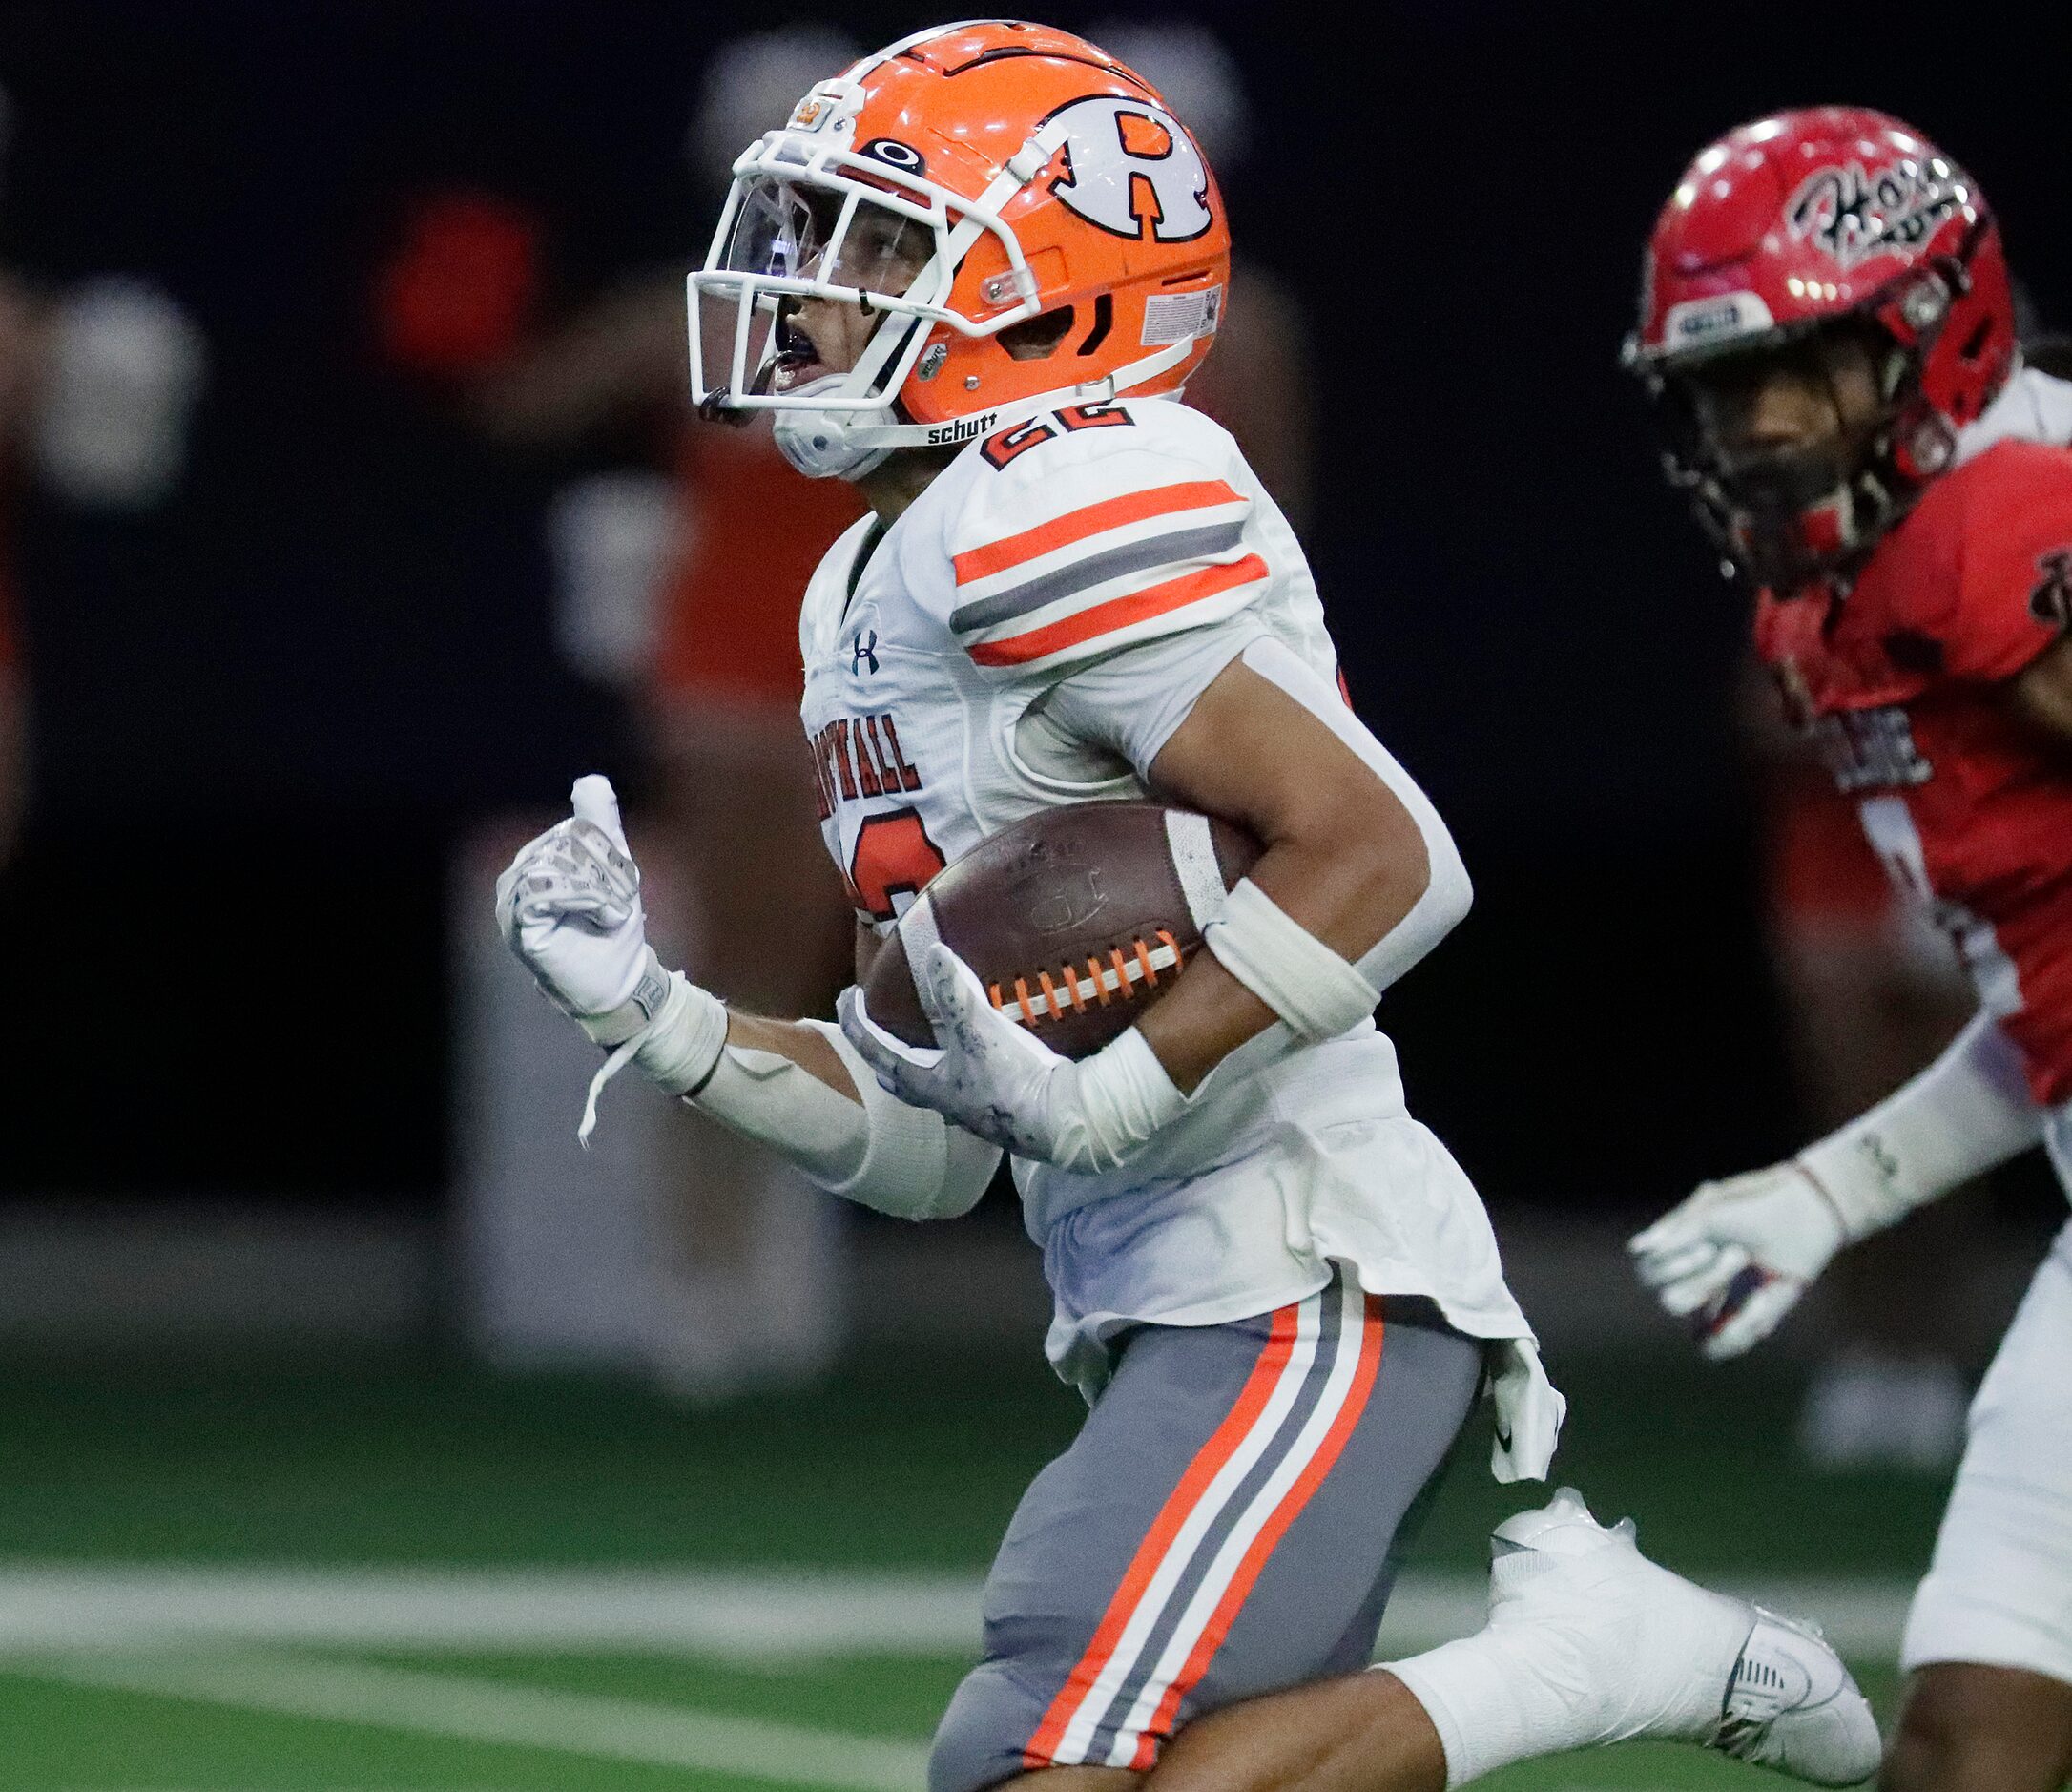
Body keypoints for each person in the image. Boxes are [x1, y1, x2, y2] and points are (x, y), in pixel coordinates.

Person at [500, 26, 1876, 1791]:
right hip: (1159, 1289)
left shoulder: (1055, 495)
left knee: (1044, 1766)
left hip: (1298, 1268)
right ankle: (1583, 1656)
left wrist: (1116, 1087)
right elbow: (940, 1143)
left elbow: (1388, 858)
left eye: (873, 245)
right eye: (808, 234)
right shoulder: (863, 577)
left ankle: (1581, 1664)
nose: (800, 287)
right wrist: (655, 1009)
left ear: (1048, 298)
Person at [1626, 107, 2072, 1792]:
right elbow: (2057, 1005)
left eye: (1799, 370)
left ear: (1934, 331)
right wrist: (1839, 1187)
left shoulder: (2005, 530)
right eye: (1722, 387)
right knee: (1964, 1743)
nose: (1758, 428)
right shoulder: (1844, 592)